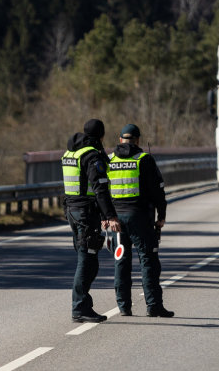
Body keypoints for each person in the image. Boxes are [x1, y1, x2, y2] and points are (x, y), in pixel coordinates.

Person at [107, 123, 173, 318]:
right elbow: (157, 192)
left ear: (120, 140)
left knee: (121, 261)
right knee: (148, 261)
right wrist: (161, 216)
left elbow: (100, 191)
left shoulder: (108, 160)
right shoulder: (144, 159)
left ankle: (123, 306)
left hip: (116, 221)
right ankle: (153, 305)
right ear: (137, 140)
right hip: (140, 219)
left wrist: (105, 216)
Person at [63, 118, 121, 323]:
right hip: (85, 214)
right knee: (86, 261)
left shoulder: (71, 152)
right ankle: (79, 308)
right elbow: (100, 189)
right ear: (101, 135)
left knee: (87, 259)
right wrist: (110, 216)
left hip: (73, 211)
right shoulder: (91, 155)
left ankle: (83, 305)